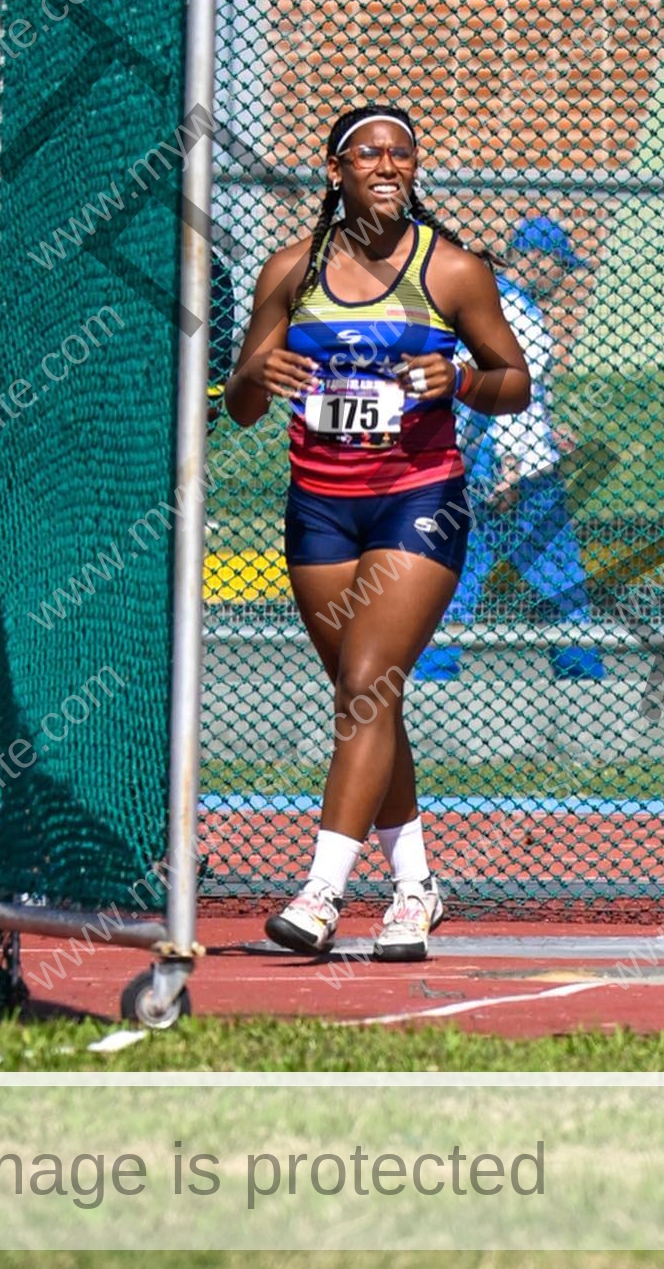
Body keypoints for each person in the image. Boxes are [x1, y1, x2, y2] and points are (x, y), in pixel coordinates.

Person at [223, 105, 530, 961]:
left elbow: (517, 382)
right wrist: (257, 371)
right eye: (371, 153)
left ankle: (322, 893)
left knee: (364, 681)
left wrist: (461, 379)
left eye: (403, 153)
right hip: (321, 508)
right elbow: (243, 406)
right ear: (336, 170)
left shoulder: (454, 271)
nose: (389, 165)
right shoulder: (291, 271)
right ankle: (416, 888)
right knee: (372, 698)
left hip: (416, 500)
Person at [413, 214, 606, 683]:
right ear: (536, 261)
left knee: (457, 572)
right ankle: (582, 676)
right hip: (511, 473)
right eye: (561, 265)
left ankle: (434, 674)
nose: (564, 279)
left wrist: (544, 431)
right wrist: (513, 465)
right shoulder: (518, 314)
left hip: (474, 463)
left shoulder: (485, 300)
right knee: (557, 576)